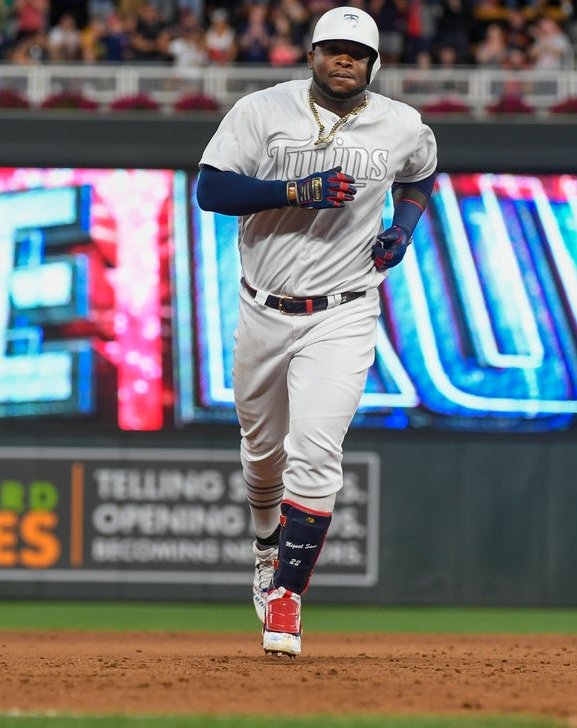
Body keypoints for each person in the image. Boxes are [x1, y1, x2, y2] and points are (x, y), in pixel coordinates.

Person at [194, 5, 437, 658]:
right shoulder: (262, 111)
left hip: (345, 310)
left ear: (373, 63)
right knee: (261, 452)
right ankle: (266, 542)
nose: (343, 60)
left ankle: (287, 597)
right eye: (332, 49)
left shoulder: (401, 124)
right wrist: (295, 191)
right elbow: (210, 191)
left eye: (355, 53)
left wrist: (403, 231)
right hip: (262, 308)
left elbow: (420, 174)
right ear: (311, 55)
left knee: (317, 451)